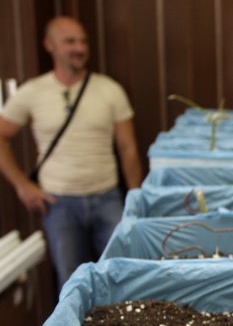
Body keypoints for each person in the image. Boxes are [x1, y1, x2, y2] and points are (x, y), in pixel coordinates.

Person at [0, 16, 141, 290]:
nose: (79, 48)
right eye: (70, 41)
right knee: (70, 282)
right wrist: (23, 186)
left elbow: (129, 149)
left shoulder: (109, 90)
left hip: (107, 198)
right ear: (49, 46)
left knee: (125, 276)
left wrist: (135, 201)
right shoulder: (32, 92)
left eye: (83, 41)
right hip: (59, 203)